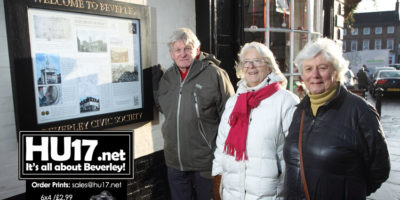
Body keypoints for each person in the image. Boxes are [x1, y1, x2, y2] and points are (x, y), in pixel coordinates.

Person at [284, 38, 390, 200]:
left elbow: (379, 169)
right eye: (308, 68)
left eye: (322, 68)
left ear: (337, 71)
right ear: (302, 75)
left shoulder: (359, 111)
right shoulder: (301, 110)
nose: (315, 75)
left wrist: (349, 192)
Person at [212, 42, 299, 199]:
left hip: (269, 194)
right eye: (246, 62)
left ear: (269, 66)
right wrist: (218, 182)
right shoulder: (234, 102)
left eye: (257, 61)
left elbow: (296, 154)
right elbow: (221, 145)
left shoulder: (286, 101)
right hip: (232, 193)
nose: (251, 66)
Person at [156, 28, 235, 200]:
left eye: (187, 49)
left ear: (197, 50)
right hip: (175, 162)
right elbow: (166, 109)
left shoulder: (215, 74)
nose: (182, 54)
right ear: (171, 54)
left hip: (205, 163)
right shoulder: (167, 78)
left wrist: (225, 158)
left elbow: (231, 117)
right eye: (178, 50)